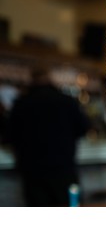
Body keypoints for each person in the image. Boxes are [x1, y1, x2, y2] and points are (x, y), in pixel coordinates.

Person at [5, 66, 91, 207]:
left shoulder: (21, 104)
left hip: (32, 172)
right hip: (64, 168)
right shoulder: (66, 101)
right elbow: (83, 129)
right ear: (50, 79)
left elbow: (9, 135)